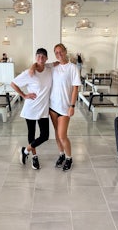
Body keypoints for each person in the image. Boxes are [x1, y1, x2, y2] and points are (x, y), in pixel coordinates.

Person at [11, 48, 52, 170]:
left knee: (45, 135)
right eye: (38, 56)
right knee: (32, 134)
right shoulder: (29, 73)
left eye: (43, 56)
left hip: (43, 109)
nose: (41, 58)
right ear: (35, 57)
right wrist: (24, 95)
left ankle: (25, 151)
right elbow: (13, 83)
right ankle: (34, 157)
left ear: (46, 58)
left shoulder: (49, 69)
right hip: (31, 108)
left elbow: (57, 63)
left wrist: (33, 66)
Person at [50, 43, 81, 171]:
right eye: (56, 53)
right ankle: (61, 154)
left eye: (61, 51)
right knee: (57, 135)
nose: (59, 54)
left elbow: (75, 88)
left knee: (62, 136)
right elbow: (39, 67)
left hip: (65, 107)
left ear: (65, 51)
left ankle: (69, 158)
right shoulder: (53, 67)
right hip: (52, 106)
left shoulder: (73, 68)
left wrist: (72, 106)